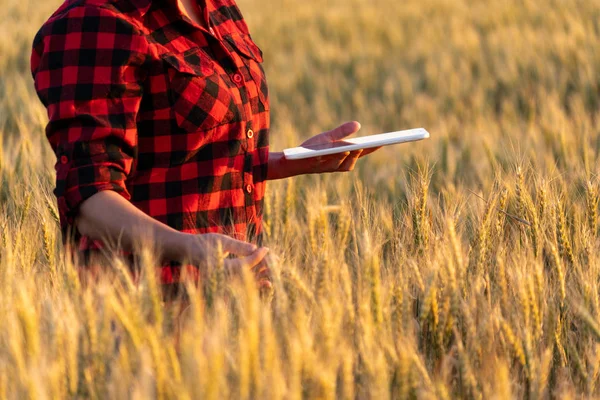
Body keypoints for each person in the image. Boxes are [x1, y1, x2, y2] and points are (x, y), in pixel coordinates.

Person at [31, 0, 378, 298]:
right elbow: (90, 199)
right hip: (146, 303)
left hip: (240, 289)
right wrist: (192, 250)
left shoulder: (219, 8)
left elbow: (191, 149)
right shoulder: (94, 22)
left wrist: (295, 160)